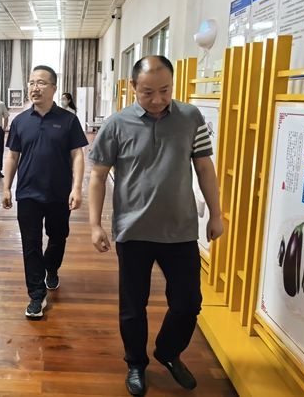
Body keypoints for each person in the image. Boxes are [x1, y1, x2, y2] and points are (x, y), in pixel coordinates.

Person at [87, 56, 223, 396]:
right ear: (133, 86)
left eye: (165, 90)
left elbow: (205, 168)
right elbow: (98, 177)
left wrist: (216, 214)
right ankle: (136, 363)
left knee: (188, 303)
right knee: (133, 307)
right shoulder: (116, 124)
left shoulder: (190, 117)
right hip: (133, 231)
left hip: (180, 230)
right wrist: (95, 224)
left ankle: (168, 352)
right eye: (148, 92)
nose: (158, 99)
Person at [2, 65, 88, 318]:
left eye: (40, 83)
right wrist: (6, 188)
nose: (34, 88)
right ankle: (36, 295)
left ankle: (51, 267)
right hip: (28, 193)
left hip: (59, 193)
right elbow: (12, 156)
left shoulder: (68, 120)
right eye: (31, 83)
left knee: (58, 236)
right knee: (30, 244)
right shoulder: (20, 121)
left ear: (53, 88)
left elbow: (77, 155)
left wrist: (77, 188)